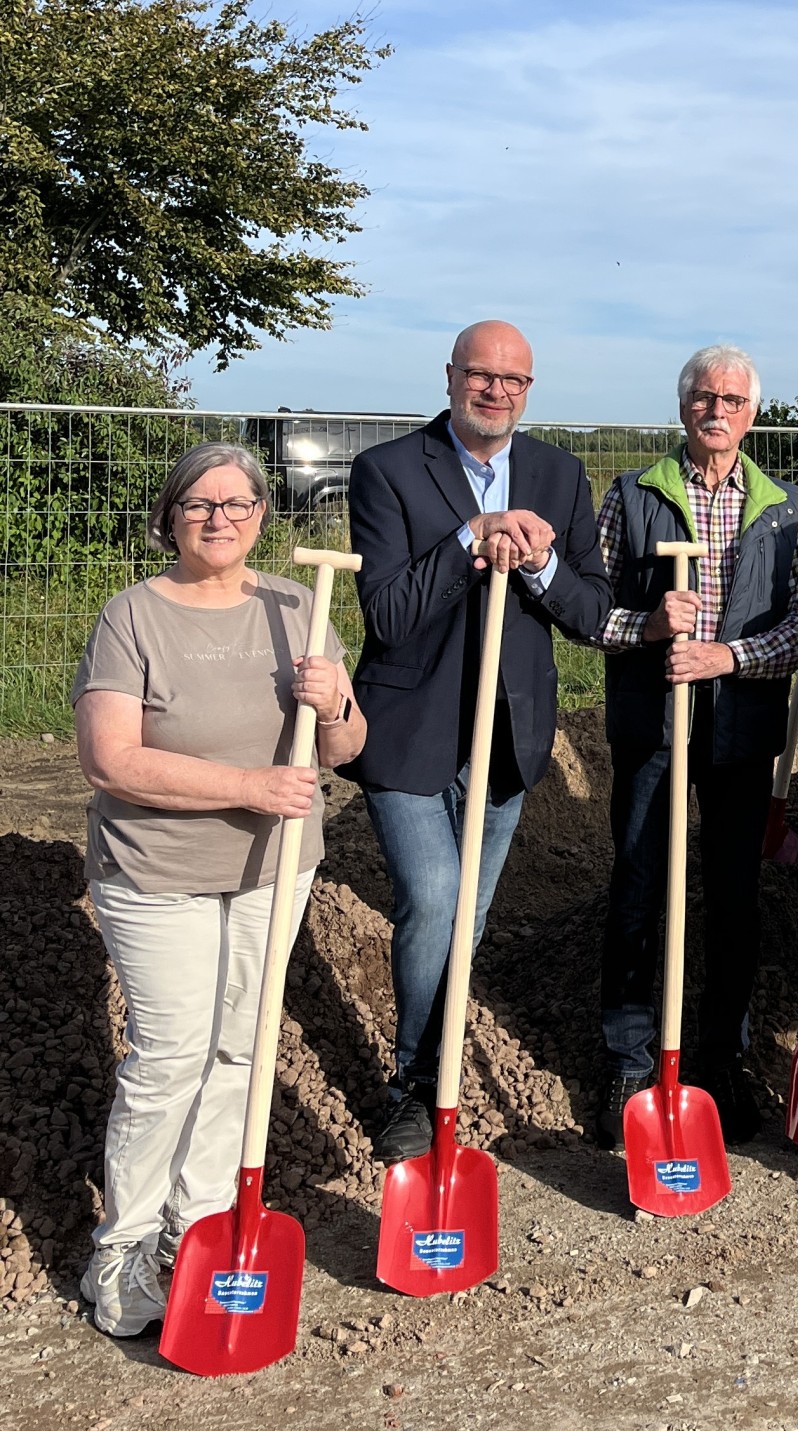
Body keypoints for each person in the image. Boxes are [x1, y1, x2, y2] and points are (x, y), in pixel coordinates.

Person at [71, 443, 368, 1336]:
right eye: (200, 504)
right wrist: (247, 787)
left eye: (238, 504)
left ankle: (194, 1228)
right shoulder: (133, 618)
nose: (219, 519)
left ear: (263, 518)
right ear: (170, 517)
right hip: (158, 874)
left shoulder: (297, 609)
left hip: (275, 870)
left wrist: (338, 703)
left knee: (241, 1047)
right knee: (169, 1059)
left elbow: (345, 751)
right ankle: (120, 1249)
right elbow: (109, 759)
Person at [346, 320, 611, 1162]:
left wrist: (535, 566)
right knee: (432, 897)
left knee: (471, 911)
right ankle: (410, 1088)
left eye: (513, 380)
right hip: (409, 730)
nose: (496, 390)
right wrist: (471, 539)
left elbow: (591, 612)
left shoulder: (560, 475)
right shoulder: (387, 471)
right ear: (452, 376)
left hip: (508, 733)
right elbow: (388, 613)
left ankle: (439, 1067)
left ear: (529, 391)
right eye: (480, 375)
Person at [593, 344, 798, 1147]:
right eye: (703, 395)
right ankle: (629, 1059)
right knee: (639, 888)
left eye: (732, 398)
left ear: (752, 413)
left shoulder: (783, 508)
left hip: (738, 735)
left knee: (733, 899)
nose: (716, 410)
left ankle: (722, 1057)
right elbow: (591, 611)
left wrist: (728, 656)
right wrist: (650, 627)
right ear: (683, 404)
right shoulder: (633, 496)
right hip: (655, 727)